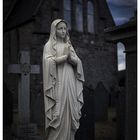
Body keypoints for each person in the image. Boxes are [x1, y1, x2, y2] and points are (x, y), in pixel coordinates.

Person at [43, 19, 84, 140]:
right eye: (60, 28)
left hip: (70, 80)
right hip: (58, 80)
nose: (63, 31)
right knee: (58, 112)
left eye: (65, 29)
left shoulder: (69, 45)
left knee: (71, 109)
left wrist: (71, 59)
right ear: (54, 30)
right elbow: (48, 61)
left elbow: (78, 62)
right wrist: (63, 58)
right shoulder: (49, 45)